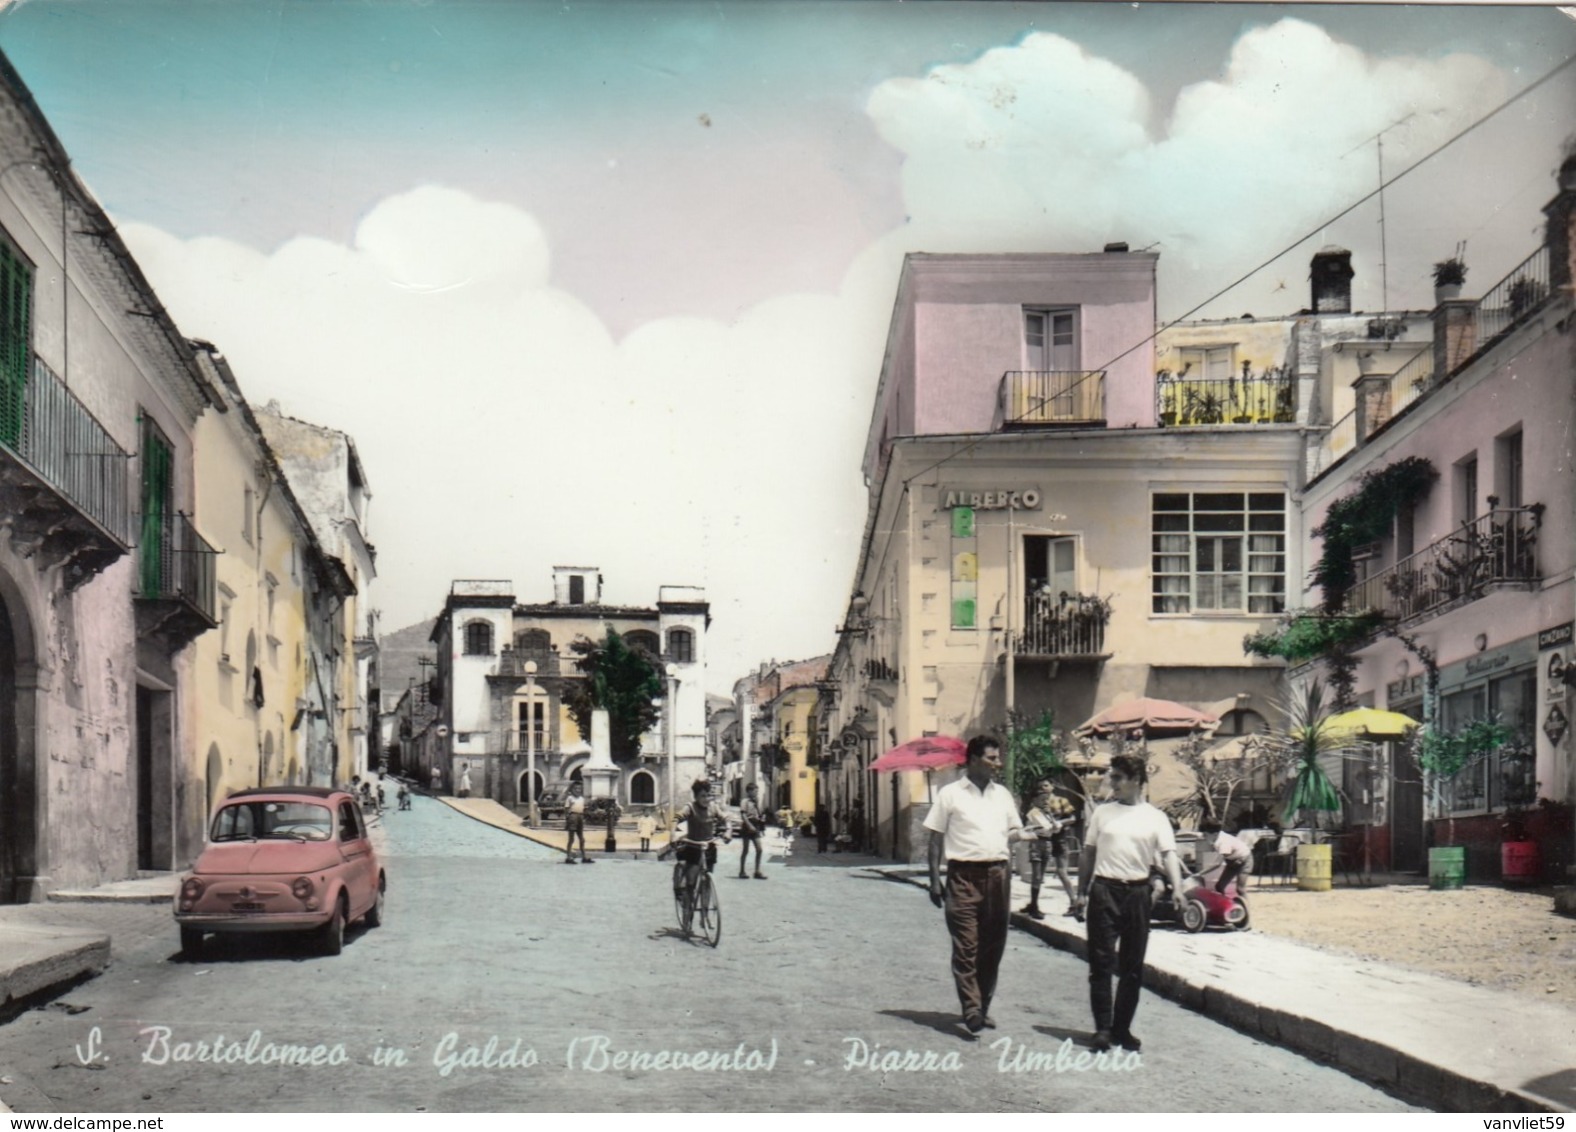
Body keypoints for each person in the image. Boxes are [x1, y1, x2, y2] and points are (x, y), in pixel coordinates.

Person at [1073, 754, 1188, 1054]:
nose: (1112, 783)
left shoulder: (1155, 817)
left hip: (1138, 894)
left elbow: (1168, 855)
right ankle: (1102, 1028)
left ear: (1136, 781)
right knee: (1100, 963)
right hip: (1104, 891)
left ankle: (1122, 1028)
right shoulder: (1102, 813)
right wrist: (1081, 891)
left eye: (1118, 778)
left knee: (1132, 966)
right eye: (1112, 777)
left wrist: (1177, 888)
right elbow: (1088, 852)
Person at [925, 735, 1039, 1036]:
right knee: (966, 946)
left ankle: (982, 1007)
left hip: (998, 876)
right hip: (962, 876)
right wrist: (935, 880)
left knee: (992, 946)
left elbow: (1013, 831)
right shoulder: (950, 794)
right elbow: (935, 838)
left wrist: (1026, 833)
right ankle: (971, 1009)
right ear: (974, 759)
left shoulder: (1002, 795)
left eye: (997, 758)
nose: (997, 763)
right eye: (991, 758)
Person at [659, 778, 730, 897]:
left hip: (709, 846)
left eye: (708, 795)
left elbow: (725, 818)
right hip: (693, 846)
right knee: (691, 883)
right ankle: (687, 908)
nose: (706, 799)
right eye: (703, 796)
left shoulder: (713, 807)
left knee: (707, 880)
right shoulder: (690, 807)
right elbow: (677, 818)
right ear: (696, 797)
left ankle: (705, 911)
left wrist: (728, 831)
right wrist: (673, 835)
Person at [1020, 782, 1078, 920]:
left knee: (1061, 871)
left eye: (1046, 785)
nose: (1043, 788)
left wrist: (1060, 823)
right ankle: (1034, 903)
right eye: (1041, 786)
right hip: (1043, 838)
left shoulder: (1061, 801)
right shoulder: (1036, 806)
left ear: (1052, 786)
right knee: (1038, 874)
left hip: (1058, 839)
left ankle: (1074, 903)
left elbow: (1072, 818)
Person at [1200, 817, 1253, 898]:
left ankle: (1246, 908)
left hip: (1245, 861)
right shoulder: (1216, 835)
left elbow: (1217, 864)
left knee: (1240, 889)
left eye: (1206, 835)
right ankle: (1224, 905)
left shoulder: (1223, 842)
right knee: (1219, 886)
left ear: (1214, 834)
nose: (1204, 837)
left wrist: (1200, 873)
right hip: (1232, 862)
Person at [737, 783, 768, 878]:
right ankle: (742, 871)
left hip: (756, 825)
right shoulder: (744, 801)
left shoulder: (757, 801)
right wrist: (749, 825)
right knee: (745, 850)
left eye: (757, 791)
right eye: (755, 791)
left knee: (759, 849)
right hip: (747, 826)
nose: (756, 793)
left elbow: (759, 813)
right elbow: (743, 815)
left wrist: (762, 818)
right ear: (749, 791)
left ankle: (757, 871)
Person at [564, 780, 590, 864]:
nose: (578, 790)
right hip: (573, 816)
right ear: (572, 789)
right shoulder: (570, 798)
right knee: (571, 839)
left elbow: (583, 808)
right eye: (576, 788)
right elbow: (567, 809)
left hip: (580, 817)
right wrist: (568, 820)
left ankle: (584, 857)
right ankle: (568, 857)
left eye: (579, 788)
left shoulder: (582, 799)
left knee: (582, 839)